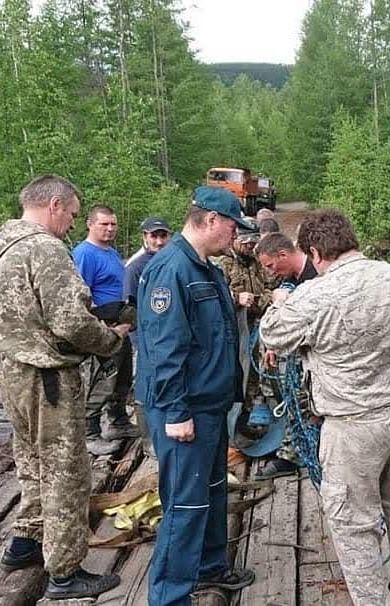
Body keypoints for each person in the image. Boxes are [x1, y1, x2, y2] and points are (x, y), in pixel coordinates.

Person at [259, 208, 390, 605]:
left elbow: (273, 334)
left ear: (316, 252)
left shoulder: (313, 296)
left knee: (354, 523)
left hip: (353, 425)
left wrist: (280, 299)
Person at [0, 174, 131, 600]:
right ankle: (65, 572)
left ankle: (25, 542)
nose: (71, 223)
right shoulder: (45, 249)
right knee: (66, 469)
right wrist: (111, 339)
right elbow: (70, 321)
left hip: (8, 368)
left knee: (30, 457)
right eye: (71, 214)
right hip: (47, 376)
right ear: (53, 205)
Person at [136, 186, 256, 606]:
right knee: (185, 505)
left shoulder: (207, 268)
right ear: (209, 221)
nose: (235, 235)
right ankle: (170, 596)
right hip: (185, 409)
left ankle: (210, 566)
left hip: (211, 404)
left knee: (214, 487)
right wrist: (174, 411)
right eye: (231, 225)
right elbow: (164, 347)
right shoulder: (172, 271)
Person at [72, 205, 139, 455]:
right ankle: (90, 432)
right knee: (103, 379)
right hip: (103, 328)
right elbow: (80, 295)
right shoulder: (84, 254)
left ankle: (118, 421)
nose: (110, 229)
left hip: (120, 325)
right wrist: (101, 326)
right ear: (90, 224)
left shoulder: (110, 252)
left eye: (113, 224)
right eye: (104, 224)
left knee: (122, 377)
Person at [252, 232, 318, 478]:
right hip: (299, 356)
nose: (270, 272)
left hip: (319, 360)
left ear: (283, 254)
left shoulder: (316, 277)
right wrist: (273, 344)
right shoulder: (293, 278)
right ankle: (295, 450)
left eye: (271, 265)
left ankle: (294, 455)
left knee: (304, 403)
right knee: (294, 399)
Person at [123, 216, 173, 458]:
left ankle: (164, 431)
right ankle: (148, 440)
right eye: (154, 236)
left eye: (163, 236)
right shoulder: (135, 267)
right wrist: (137, 344)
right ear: (145, 237)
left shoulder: (172, 261)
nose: (159, 241)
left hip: (167, 338)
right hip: (144, 340)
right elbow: (128, 309)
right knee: (144, 390)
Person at [216, 220, 272, 402]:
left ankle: (247, 412)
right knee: (233, 371)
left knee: (252, 372)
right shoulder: (223, 263)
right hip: (232, 330)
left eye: (253, 241)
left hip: (254, 327)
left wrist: (266, 299)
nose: (250, 245)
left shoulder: (256, 262)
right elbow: (215, 296)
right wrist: (236, 299)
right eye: (245, 240)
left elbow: (269, 286)